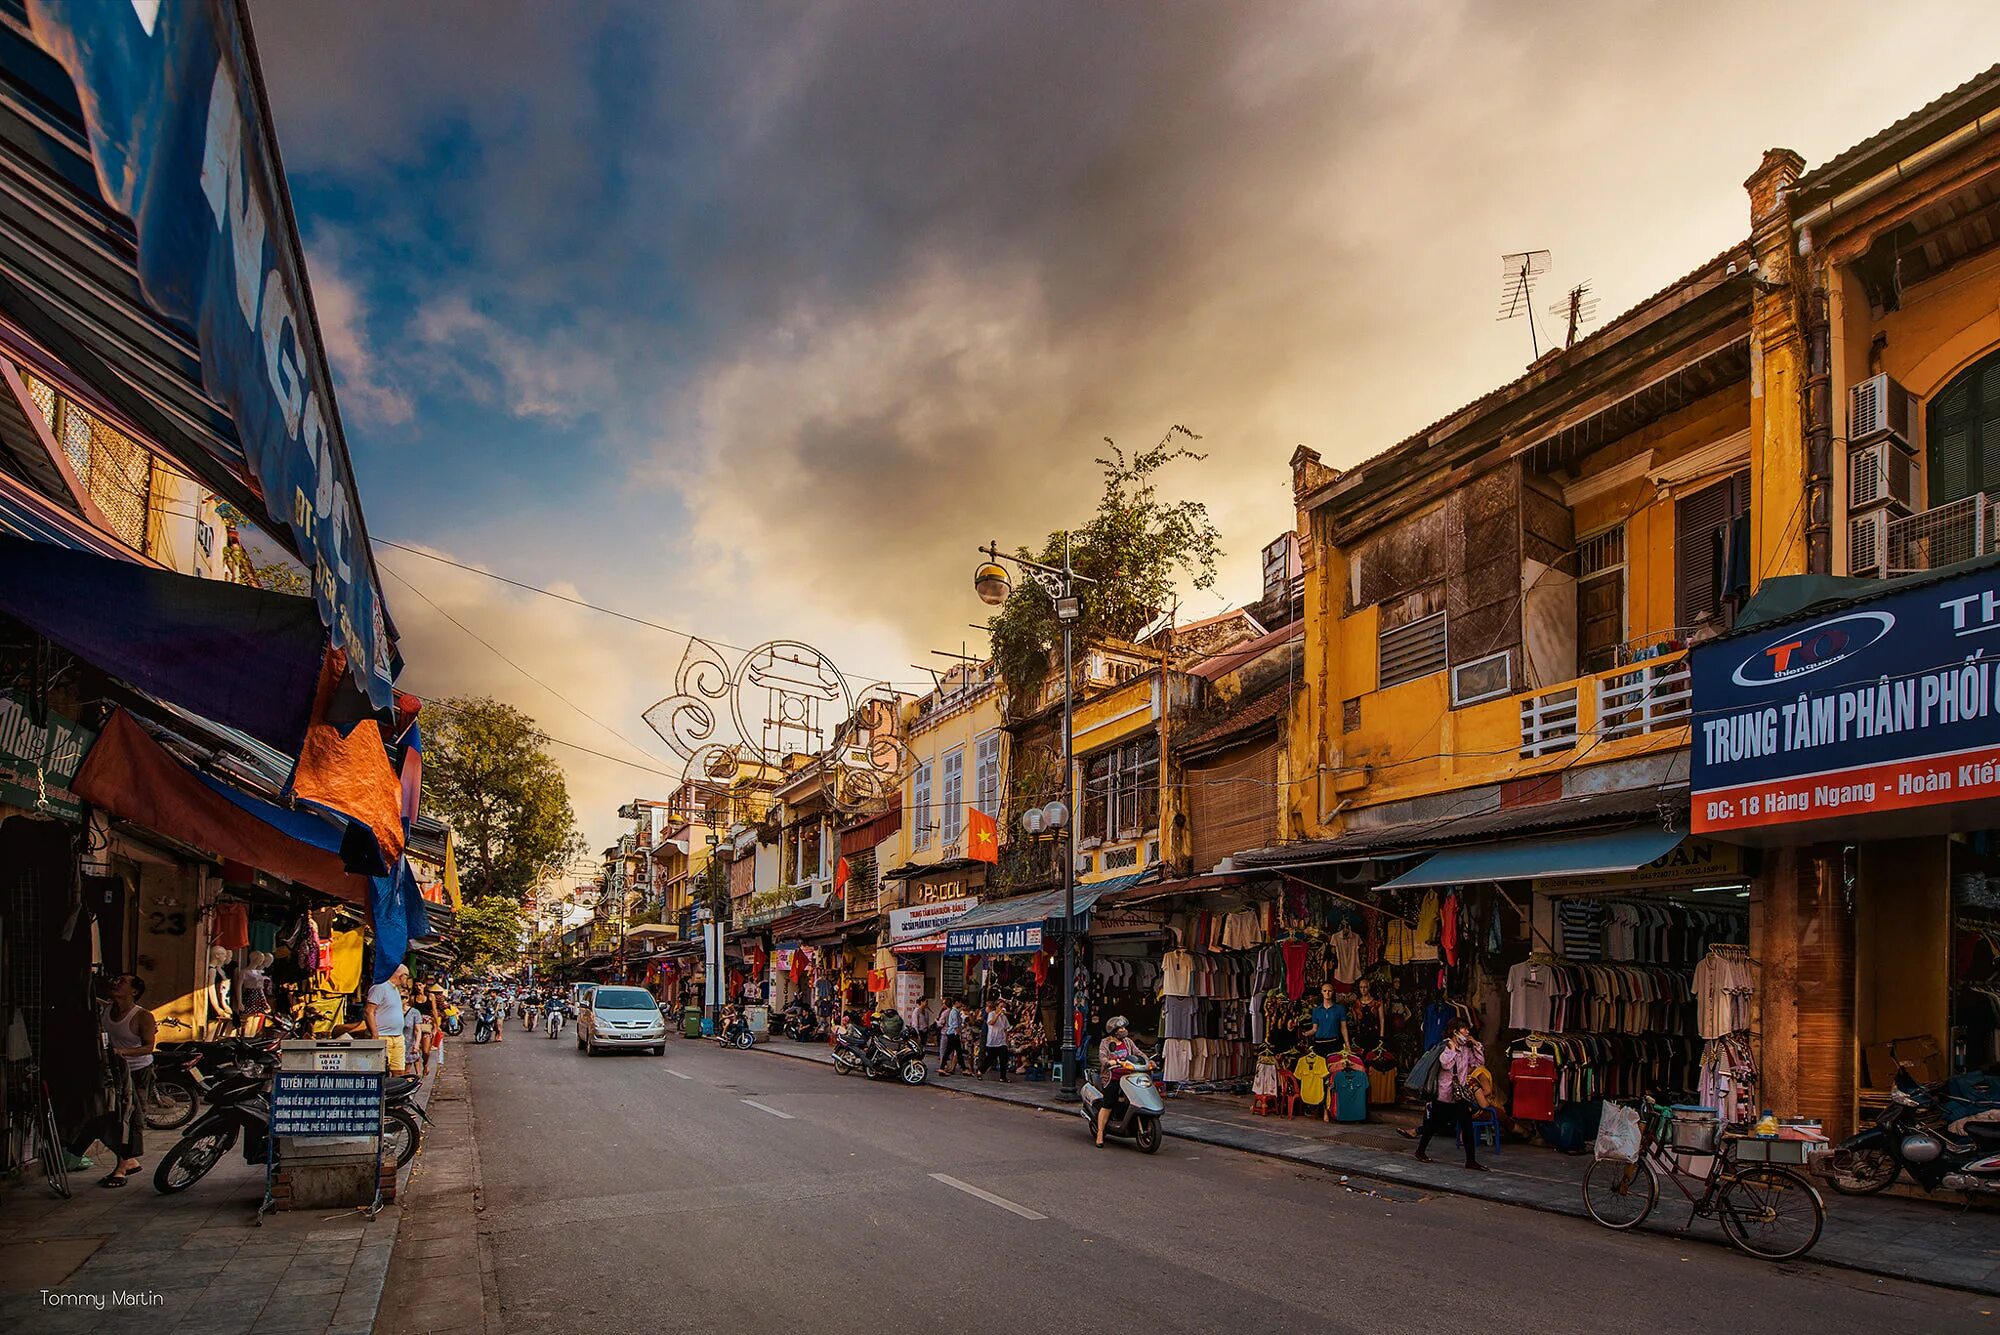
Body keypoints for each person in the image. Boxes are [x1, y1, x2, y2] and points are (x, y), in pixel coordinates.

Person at [73, 973, 156, 1187]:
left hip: (137, 1072)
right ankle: (128, 1161)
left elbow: (148, 1047)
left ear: (134, 991)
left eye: (123, 982)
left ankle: (122, 1166)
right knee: (108, 1116)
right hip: (113, 1072)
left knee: (130, 1117)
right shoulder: (107, 1009)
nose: (117, 984)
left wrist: (122, 1051)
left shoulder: (142, 1016)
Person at [1414, 1018, 1487, 1171]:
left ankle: (1471, 1160)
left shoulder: (1466, 1049)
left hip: (1459, 1095)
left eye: (1467, 1029)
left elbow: (1478, 1063)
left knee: (1466, 1124)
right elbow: (1445, 1064)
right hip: (1444, 1094)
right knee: (1434, 1124)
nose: (1467, 1032)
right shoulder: (1447, 1045)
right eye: (1464, 1029)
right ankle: (1420, 1151)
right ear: (1455, 1031)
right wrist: (1453, 1049)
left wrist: (1476, 1045)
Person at [1094, 1016, 1143, 1146]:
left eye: (1124, 1027)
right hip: (1112, 1077)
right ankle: (1100, 1133)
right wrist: (1108, 1062)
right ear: (1114, 1031)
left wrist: (1148, 1061)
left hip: (1128, 1077)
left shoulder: (1128, 1042)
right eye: (1120, 1028)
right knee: (1108, 1104)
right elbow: (1102, 1056)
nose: (1123, 1030)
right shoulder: (1106, 1042)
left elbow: (1138, 1053)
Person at [368, 965, 412, 1074]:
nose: (407, 980)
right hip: (383, 1036)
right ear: (402, 976)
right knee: (382, 1071)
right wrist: (375, 1034)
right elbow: (369, 1011)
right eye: (406, 977)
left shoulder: (396, 990)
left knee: (399, 1071)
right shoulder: (380, 987)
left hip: (398, 1036)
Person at [1306, 982, 1351, 1055]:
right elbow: (1314, 1029)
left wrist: (1347, 1044)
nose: (1327, 993)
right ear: (1321, 992)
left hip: (1334, 1043)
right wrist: (1305, 1033)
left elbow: (1343, 1028)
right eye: (1325, 991)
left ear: (1333, 992)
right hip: (1318, 1043)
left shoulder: (1340, 1008)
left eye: (1330, 991)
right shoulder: (1316, 1010)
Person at [978, 1000, 1012, 1082]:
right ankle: (980, 1071)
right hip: (993, 1040)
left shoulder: (1004, 1017)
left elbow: (1006, 1029)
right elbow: (991, 1022)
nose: (1002, 1008)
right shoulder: (992, 1014)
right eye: (1001, 1006)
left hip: (1001, 1041)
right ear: (996, 1007)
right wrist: (998, 1014)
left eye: (1003, 1007)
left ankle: (1003, 1077)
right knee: (990, 1058)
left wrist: (1007, 1041)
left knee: (1004, 1059)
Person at [938, 997, 967, 1075]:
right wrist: (959, 1034)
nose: (961, 1004)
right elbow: (955, 1025)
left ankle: (963, 1068)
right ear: (956, 1002)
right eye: (960, 1002)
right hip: (953, 1034)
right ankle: (963, 1068)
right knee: (954, 1051)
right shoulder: (954, 1012)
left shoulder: (955, 1011)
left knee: (957, 1051)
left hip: (952, 1034)